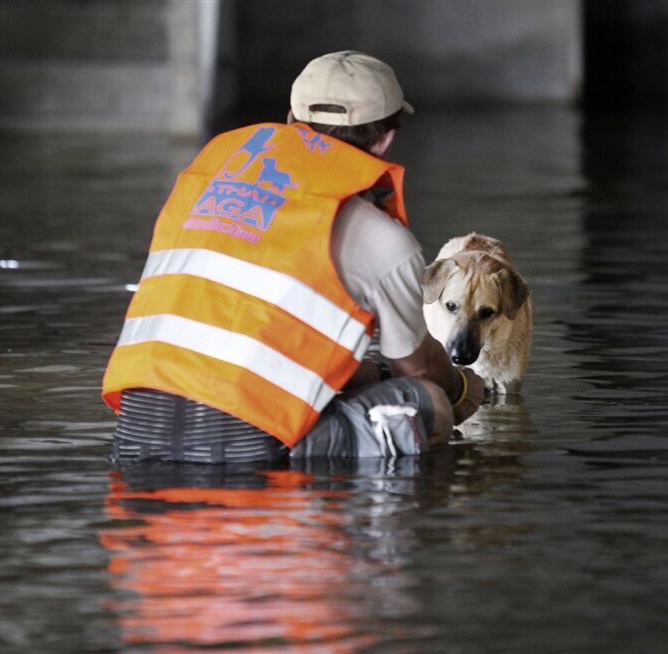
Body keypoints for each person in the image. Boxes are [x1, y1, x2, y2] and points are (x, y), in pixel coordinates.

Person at [102, 50, 484, 463]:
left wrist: (377, 373)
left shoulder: (200, 191)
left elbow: (264, 350)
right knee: (430, 405)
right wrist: (463, 388)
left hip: (135, 432)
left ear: (290, 120)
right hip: (241, 447)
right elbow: (421, 370)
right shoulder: (382, 239)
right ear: (385, 138)